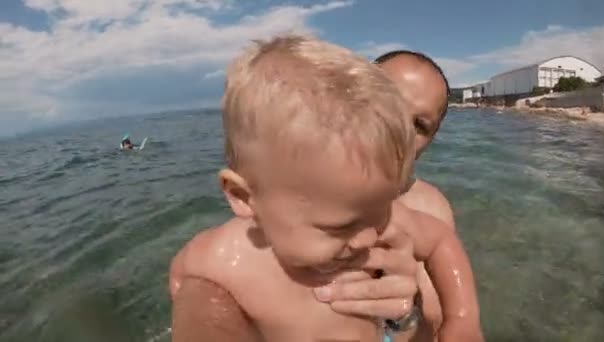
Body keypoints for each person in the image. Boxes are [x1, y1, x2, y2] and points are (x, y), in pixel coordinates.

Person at [169, 35, 482, 342]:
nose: (370, 236)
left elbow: (441, 241)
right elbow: (183, 275)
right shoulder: (229, 253)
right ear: (243, 197)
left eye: (418, 125)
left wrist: (462, 319)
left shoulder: (387, 215)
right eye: (339, 227)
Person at [375, 51, 456, 337]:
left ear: (430, 142)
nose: (399, 131)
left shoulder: (430, 210)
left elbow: (438, 323)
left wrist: (406, 311)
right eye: (387, 106)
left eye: (419, 125)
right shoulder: (302, 185)